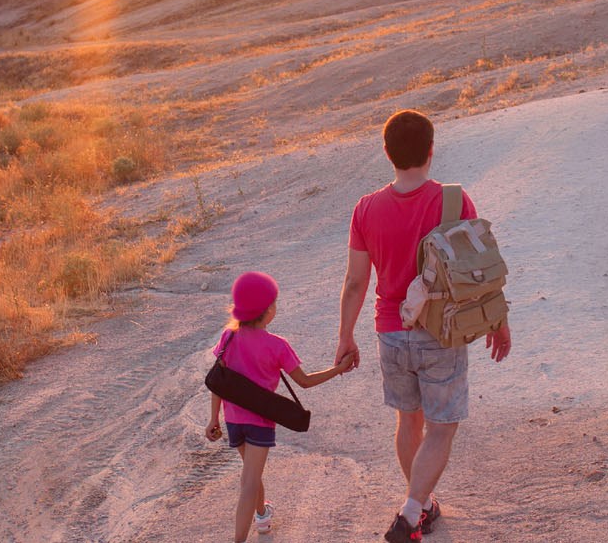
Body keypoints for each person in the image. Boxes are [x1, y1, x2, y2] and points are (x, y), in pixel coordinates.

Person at [335, 110, 512, 543]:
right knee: (442, 428)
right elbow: (480, 271)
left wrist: (345, 336)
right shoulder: (452, 201)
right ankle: (413, 510)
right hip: (440, 332)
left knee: (407, 422)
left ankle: (423, 506)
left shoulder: (365, 209)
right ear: (432, 150)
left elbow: (357, 281)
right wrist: (498, 321)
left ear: (387, 153)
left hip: (390, 333)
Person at [206, 271, 353, 543]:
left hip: (233, 421)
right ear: (266, 310)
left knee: (252, 475)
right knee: (249, 481)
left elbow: (219, 382)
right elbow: (305, 382)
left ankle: (262, 515)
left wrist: (213, 418)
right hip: (260, 423)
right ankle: (239, 539)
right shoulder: (277, 346)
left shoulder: (228, 338)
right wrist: (338, 369)